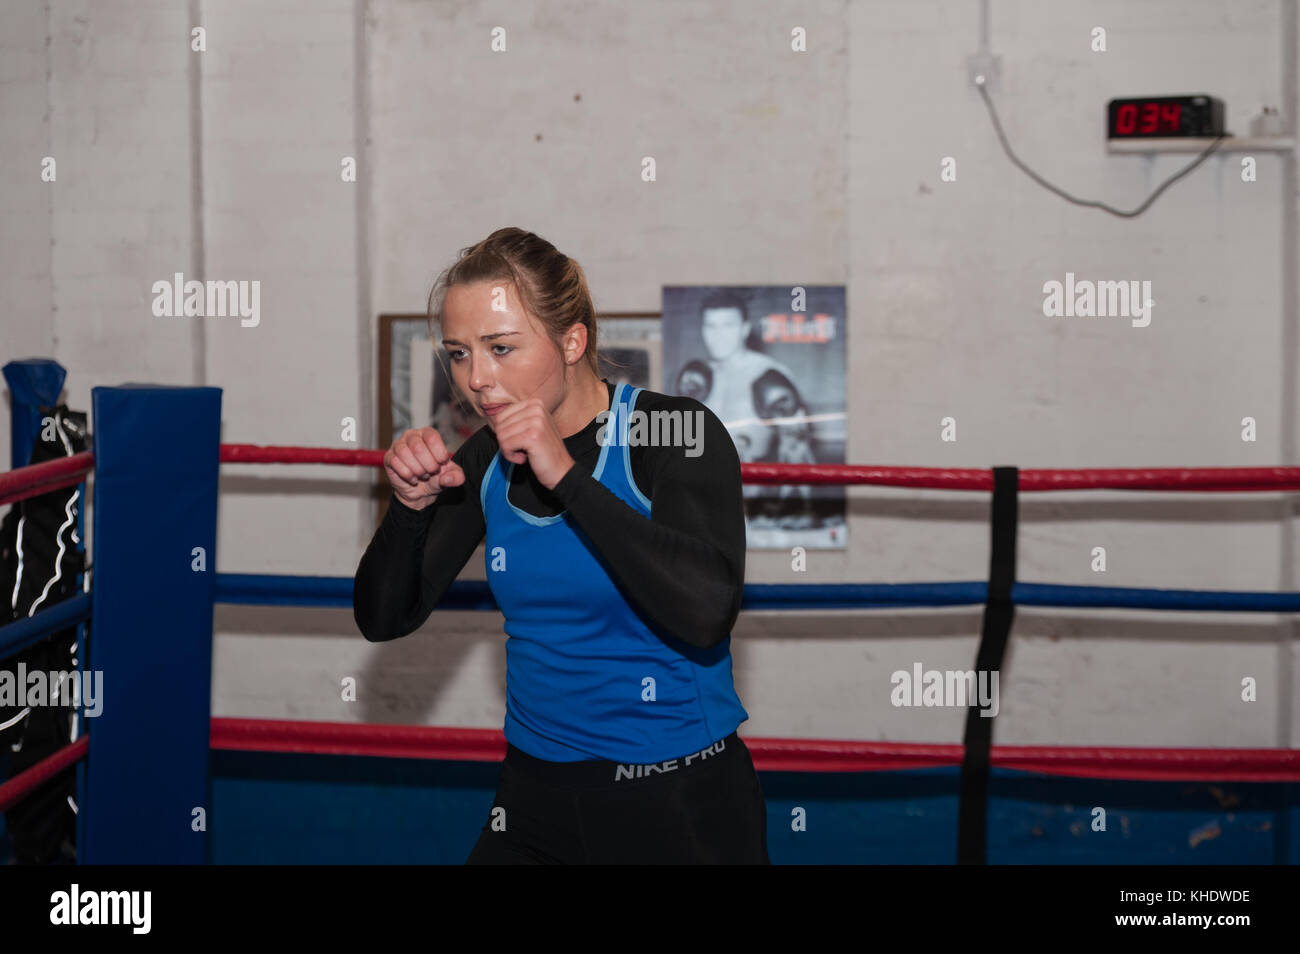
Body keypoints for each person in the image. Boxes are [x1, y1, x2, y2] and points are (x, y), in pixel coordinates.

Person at [353, 227, 769, 864]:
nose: (478, 380)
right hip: (532, 794)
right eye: (460, 354)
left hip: (675, 798)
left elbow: (707, 613)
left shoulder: (672, 433)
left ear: (572, 340)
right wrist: (409, 512)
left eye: (501, 348)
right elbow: (384, 618)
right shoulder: (488, 453)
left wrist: (568, 478)